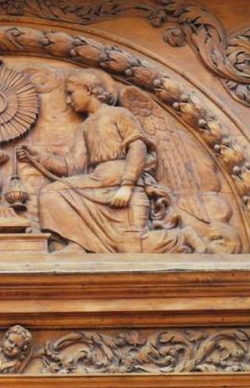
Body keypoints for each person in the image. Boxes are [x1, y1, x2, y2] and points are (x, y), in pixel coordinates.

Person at [18, 70, 208, 254]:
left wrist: (127, 185)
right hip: (98, 181)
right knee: (52, 192)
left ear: (88, 90)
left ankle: (184, 237)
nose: (68, 100)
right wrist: (39, 156)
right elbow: (73, 166)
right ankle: (77, 243)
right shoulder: (85, 127)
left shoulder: (118, 114)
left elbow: (137, 147)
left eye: (71, 93)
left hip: (119, 180)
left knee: (132, 248)